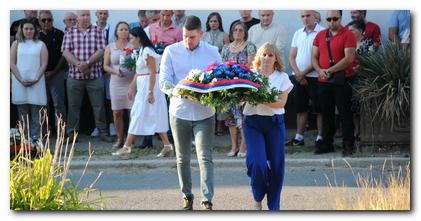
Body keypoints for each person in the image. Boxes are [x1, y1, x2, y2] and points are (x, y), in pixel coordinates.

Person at [159, 15, 222, 210]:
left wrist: (214, 90)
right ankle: (187, 195)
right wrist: (179, 91)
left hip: (205, 112)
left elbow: (220, 78)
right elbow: (164, 82)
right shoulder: (171, 51)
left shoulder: (212, 52)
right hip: (179, 112)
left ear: (201, 34)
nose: (188, 40)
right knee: (182, 158)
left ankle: (207, 199)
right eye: (185, 36)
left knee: (205, 157)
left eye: (192, 37)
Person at [243, 43, 293, 210]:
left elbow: (280, 103)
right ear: (259, 57)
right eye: (264, 54)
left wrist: (260, 98)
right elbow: (240, 100)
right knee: (257, 163)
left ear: (276, 59)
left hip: (274, 124)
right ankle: (258, 196)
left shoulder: (282, 77)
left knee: (277, 167)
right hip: (253, 123)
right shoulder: (249, 76)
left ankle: (274, 207)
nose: (266, 58)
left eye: (270, 55)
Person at [112, 27, 173, 157]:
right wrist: (131, 87)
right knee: (150, 114)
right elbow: (139, 72)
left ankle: (127, 146)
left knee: (138, 114)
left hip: (149, 87)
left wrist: (150, 91)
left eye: (132, 38)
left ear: (138, 38)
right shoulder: (140, 52)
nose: (130, 40)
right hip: (143, 86)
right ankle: (167, 145)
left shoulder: (147, 51)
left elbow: (152, 72)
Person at [61, 10, 112, 142]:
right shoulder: (69, 32)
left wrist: (88, 63)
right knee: (73, 106)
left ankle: (103, 132)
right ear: (77, 17)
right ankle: (72, 133)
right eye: (82, 15)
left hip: (94, 75)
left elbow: (101, 50)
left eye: (87, 15)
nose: (85, 17)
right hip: (74, 76)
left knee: (99, 106)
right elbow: (65, 51)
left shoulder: (97, 31)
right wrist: (79, 64)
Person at [311, 10, 356, 156]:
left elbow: (349, 58)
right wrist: (319, 70)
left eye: (334, 19)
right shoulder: (320, 35)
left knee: (345, 113)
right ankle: (327, 144)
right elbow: (314, 56)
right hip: (323, 79)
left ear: (341, 18)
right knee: (326, 113)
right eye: (329, 19)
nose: (331, 22)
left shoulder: (348, 34)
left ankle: (348, 145)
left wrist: (329, 70)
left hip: (342, 79)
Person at [286, 10, 324, 148]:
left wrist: (303, 73)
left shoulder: (323, 32)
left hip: (315, 76)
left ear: (315, 17)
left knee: (320, 108)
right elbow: (291, 56)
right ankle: (299, 137)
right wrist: (298, 74)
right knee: (300, 107)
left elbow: (320, 58)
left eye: (308, 16)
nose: (305, 19)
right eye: (302, 16)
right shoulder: (298, 33)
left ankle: (321, 137)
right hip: (299, 76)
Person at [221, 21, 256, 158]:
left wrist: (237, 75)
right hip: (229, 86)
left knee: (243, 116)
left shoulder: (250, 46)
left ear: (245, 32)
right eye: (235, 30)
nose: (238, 32)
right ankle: (234, 146)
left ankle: (244, 146)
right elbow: (222, 65)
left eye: (241, 30)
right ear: (231, 32)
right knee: (230, 117)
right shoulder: (225, 48)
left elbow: (251, 64)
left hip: (243, 85)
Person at [10, 19, 48, 139]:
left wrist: (36, 78)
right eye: (26, 28)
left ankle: (36, 141)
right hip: (19, 83)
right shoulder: (16, 44)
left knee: (36, 114)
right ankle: (24, 142)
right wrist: (20, 79)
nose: (28, 31)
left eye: (31, 28)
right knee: (22, 114)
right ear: (22, 30)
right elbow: (11, 63)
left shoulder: (41, 44)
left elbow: (44, 64)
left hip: (36, 83)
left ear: (35, 30)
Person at [103, 21, 135, 149]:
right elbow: (105, 66)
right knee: (117, 112)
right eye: (121, 29)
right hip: (116, 83)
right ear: (116, 32)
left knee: (132, 112)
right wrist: (115, 72)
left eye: (126, 29)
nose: (124, 32)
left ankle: (131, 140)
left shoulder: (133, 46)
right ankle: (119, 138)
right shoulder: (110, 47)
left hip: (131, 83)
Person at [202, 12, 230, 137]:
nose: (213, 23)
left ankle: (220, 123)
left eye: (216, 21)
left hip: (220, 69)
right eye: (211, 21)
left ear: (219, 23)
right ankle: (209, 123)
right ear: (208, 23)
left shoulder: (224, 35)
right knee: (209, 96)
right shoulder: (203, 35)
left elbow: (227, 52)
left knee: (220, 97)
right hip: (207, 69)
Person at [38, 10, 67, 130]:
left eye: (49, 19)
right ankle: (45, 130)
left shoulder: (60, 34)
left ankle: (61, 129)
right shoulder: (36, 36)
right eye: (43, 20)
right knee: (42, 104)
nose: (46, 22)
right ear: (39, 21)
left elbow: (64, 55)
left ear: (52, 20)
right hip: (39, 75)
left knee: (59, 104)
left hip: (57, 73)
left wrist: (54, 71)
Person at [347, 20, 375, 143]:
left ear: (360, 30)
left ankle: (364, 132)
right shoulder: (349, 42)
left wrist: (358, 67)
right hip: (349, 78)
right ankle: (356, 131)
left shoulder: (368, 42)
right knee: (352, 107)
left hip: (363, 79)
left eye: (352, 30)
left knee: (362, 106)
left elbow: (370, 60)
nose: (350, 32)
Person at [91, 10, 116, 137]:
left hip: (108, 68)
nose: (103, 16)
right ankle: (98, 126)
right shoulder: (90, 29)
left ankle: (112, 125)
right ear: (96, 14)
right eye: (100, 13)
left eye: (105, 13)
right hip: (94, 68)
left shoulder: (112, 30)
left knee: (110, 98)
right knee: (97, 99)